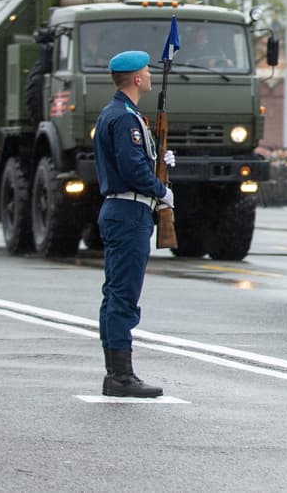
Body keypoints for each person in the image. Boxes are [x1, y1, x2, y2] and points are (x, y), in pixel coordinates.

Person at [94, 50, 175, 398]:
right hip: (129, 213)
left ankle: (118, 372)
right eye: (147, 72)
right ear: (137, 79)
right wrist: (161, 191)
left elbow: (135, 160)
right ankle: (120, 376)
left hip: (125, 211)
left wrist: (160, 158)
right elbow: (131, 169)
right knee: (123, 296)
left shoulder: (119, 113)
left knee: (116, 293)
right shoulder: (125, 118)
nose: (151, 76)